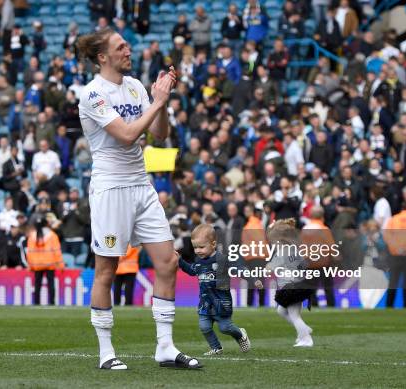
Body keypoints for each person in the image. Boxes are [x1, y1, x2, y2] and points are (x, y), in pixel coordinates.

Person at [77, 28, 200, 370]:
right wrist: (158, 101)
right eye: (121, 46)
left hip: (140, 185)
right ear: (103, 57)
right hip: (111, 189)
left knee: (168, 261)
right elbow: (129, 136)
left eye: (127, 44)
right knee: (107, 270)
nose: (128, 50)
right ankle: (105, 352)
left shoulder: (134, 86)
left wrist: (163, 99)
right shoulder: (92, 94)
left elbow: (158, 134)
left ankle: (164, 346)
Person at [178, 224, 251, 355]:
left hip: (221, 302)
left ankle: (240, 334)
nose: (198, 251)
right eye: (195, 247)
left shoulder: (222, 259)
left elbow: (237, 269)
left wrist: (252, 279)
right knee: (204, 327)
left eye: (201, 247)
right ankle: (216, 348)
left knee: (225, 328)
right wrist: (180, 261)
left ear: (213, 244)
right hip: (205, 303)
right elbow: (191, 270)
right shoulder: (199, 262)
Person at [265, 218, 314, 347]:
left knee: (294, 315)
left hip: (292, 288)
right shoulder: (294, 248)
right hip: (299, 285)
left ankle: (306, 339)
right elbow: (304, 263)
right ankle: (304, 330)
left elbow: (269, 269)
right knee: (281, 311)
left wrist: (267, 267)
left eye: (272, 241)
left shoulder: (282, 252)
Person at [26, 217, 64, 305]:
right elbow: (57, 251)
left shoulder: (32, 236)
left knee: (37, 285)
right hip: (49, 264)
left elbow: (29, 252)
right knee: (51, 284)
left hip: (37, 265)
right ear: (47, 224)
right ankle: (52, 303)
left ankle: (36, 303)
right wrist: (61, 265)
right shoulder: (52, 235)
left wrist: (30, 266)